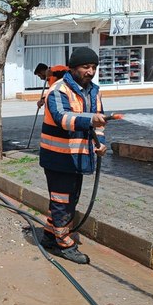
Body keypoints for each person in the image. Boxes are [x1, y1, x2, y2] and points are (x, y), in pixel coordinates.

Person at [39, 47, 108, 264]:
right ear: (73, 68)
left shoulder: (94, 91)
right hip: (58, 156)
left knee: (70, 198)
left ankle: (51, 234)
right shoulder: (58, 90)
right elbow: (62, 117)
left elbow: (99, 124)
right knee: (62, 201)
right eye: (86, 67)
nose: (90, 71)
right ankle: (63, 243)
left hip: (78, 155)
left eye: (94, 67)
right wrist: (90, 120)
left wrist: (101, 144)